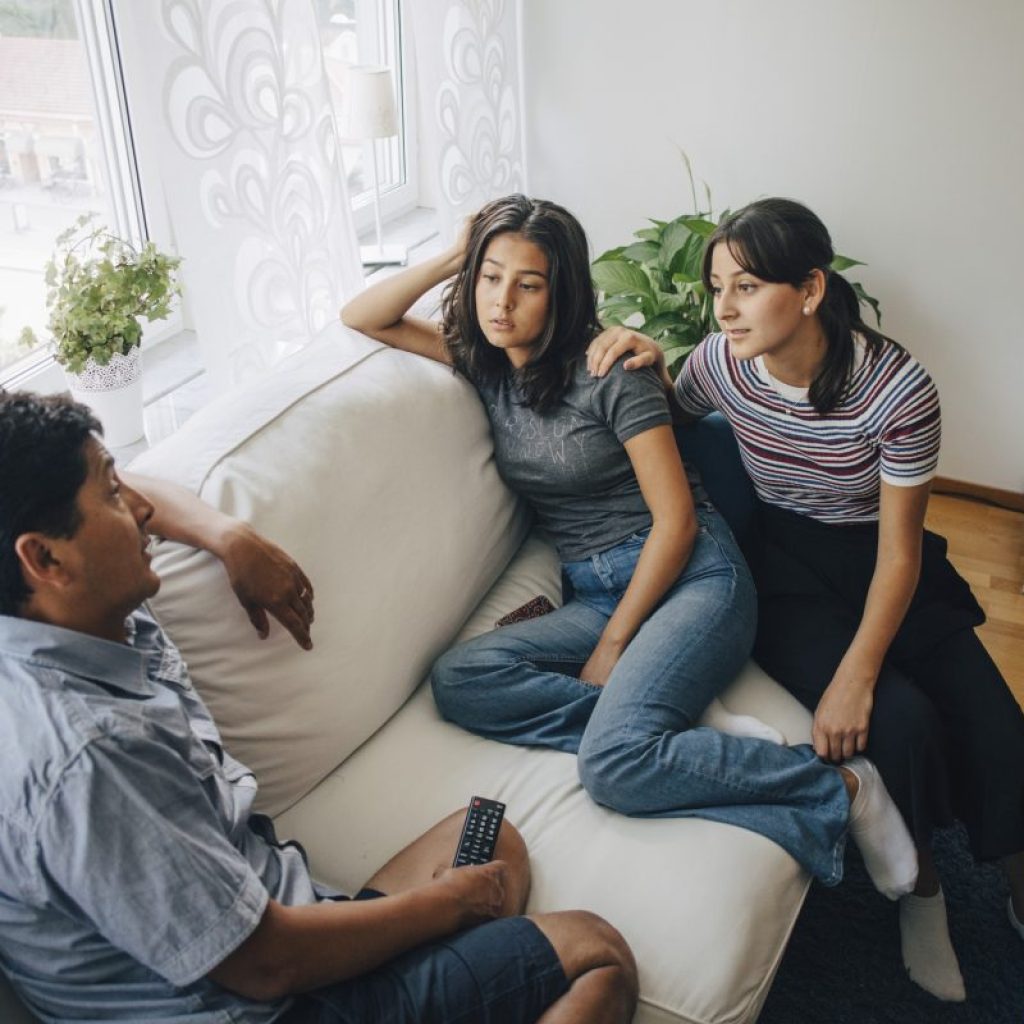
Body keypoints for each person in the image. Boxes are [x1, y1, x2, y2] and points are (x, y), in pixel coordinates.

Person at [341, 193, 918, 899]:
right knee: (462, 680)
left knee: (613, 767)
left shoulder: (610, 372)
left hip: (692, 578)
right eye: (490, 278)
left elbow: (677, 523)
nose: (502, 302)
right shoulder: (485, 365)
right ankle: (677, 729)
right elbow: (363, 316)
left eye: (528, 284)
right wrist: (460, 253)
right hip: (594, 587)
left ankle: (847, 790)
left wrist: (615, 644)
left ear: (561, 293)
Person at [0, 390, 639, 1024]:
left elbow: (126, 489)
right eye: (113, 496)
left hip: (280, 921)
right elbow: (263, 963)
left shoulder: (60, 612)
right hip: (269, 996)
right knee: (595, 953)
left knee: (492, 839)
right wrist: (447, 905)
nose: (140, 508)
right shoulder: (88, 756)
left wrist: (228, 536)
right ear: (45, 557)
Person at [587, 196, 1024, 1001]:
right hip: (785, 568)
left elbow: (899, 553)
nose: (724, 309)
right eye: (717, 289)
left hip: (881, 557)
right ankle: (923, 893)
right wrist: (651, 360)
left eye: (747, 287)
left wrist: (857, 670)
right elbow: (673, 419)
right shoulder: (720, 363)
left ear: (812, 289)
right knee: (900, 723)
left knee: (997, 725)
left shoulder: (897, 389)